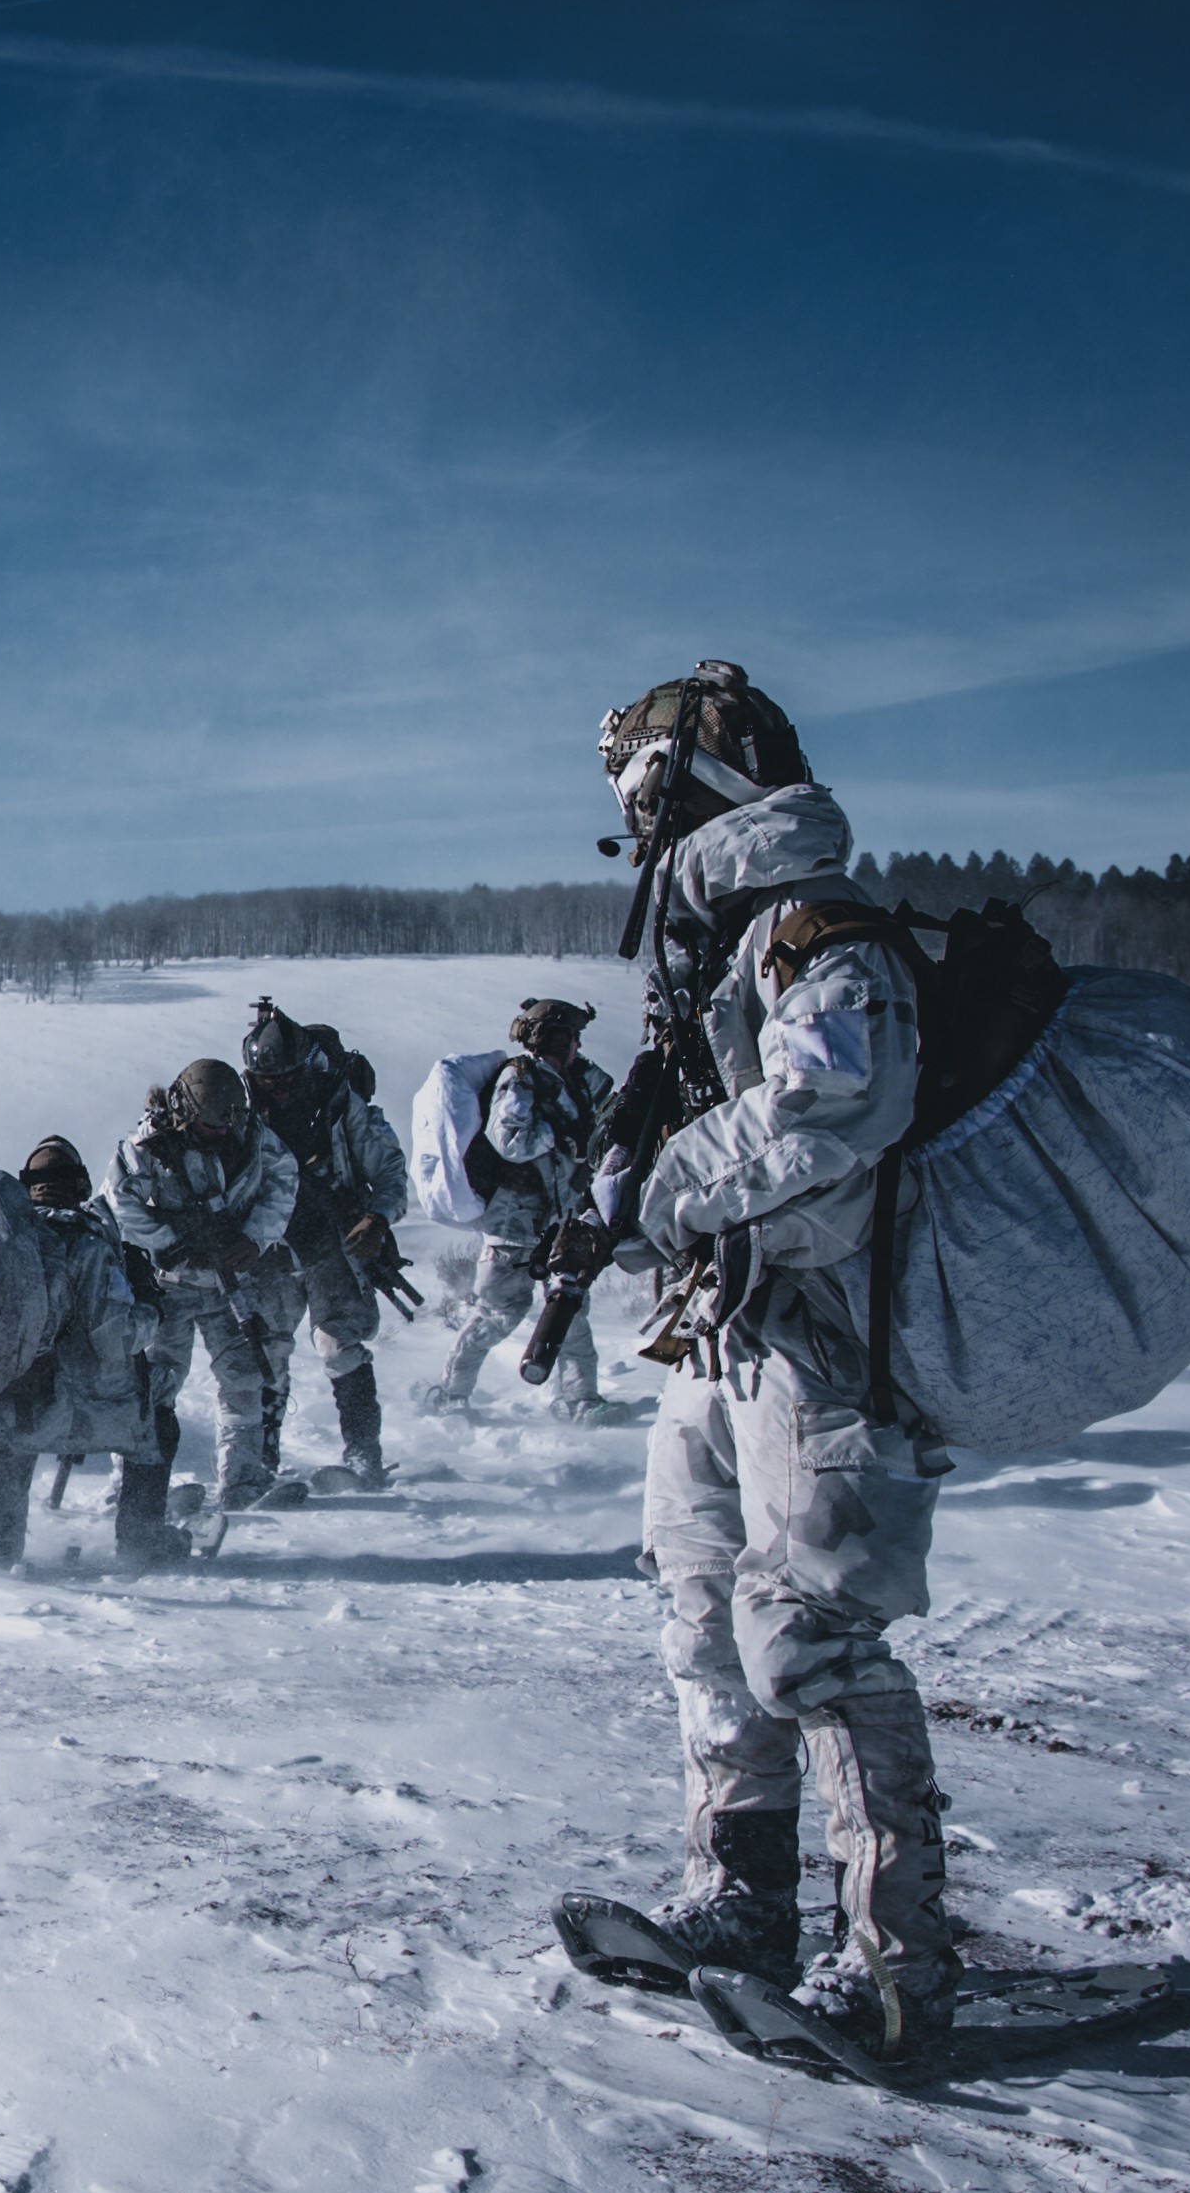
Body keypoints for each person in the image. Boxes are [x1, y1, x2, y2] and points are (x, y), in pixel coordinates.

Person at [565, 660, 957, 2065]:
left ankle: (893, 1959)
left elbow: (830, 1115)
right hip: (725, 1333)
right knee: (699, 1602)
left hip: (826, 1338)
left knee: (813, 1631)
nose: (633, 828)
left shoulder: (819, 931)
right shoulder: (726, 954)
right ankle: (740, 1896)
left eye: (642, 797)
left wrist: (661, 1184)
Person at [0, 1134, 157, 1565]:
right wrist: (150, 1305)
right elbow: (115, 1338)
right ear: (81, 1186)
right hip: (65, 1406)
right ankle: (143, 1544)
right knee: (156, 1430)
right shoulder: (87, 1243)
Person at [106, 1058, 296, 1531]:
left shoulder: (249, 1134)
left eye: (229, 1122)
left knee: (244, 1379)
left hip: (229, 1282)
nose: (222, 1132)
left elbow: (283, 1180)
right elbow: (119, 1201)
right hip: (168, 1288)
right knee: (154, 1385)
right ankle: (128, 1488)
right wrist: (170, 1244)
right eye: (212, 1124)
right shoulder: (147, 1145)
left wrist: (254, 1238)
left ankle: (242, 1481)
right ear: (186, 1110)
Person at [240, 1001, 415, 1491]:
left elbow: (389, 1171)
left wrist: (378, 1218)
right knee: (265, 1351)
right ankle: (261, 1457)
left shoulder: (342, 1106)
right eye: (268, 1080)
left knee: (340, 1346)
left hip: (333, 1243)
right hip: (269, 1249)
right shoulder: (242, 1110)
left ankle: (364, 1455)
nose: (278, 1088)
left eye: (287, 1078)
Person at [424, 998, 610, 1416]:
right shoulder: (520, 1079)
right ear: (557, 1040)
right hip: (514, 1221)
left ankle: (581, 1401)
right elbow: (508, 1140)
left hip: (559, 1217)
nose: (578, 1047)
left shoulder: (567, 1081)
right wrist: (562, 1136)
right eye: (572, 1038)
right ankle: (450, 1396)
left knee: (570, 1312)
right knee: (498, 1313)